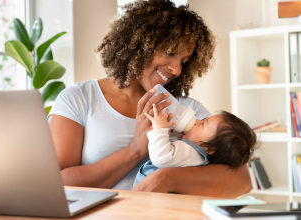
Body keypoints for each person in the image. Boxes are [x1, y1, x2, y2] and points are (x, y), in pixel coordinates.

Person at [48, 0, 252, 197]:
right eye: (171, 52)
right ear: (139, 44)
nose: (176, 68)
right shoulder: (78, 98)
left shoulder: (187, 110)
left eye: (184, 60)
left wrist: (167, 177)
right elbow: (58, 183)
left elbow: (242, 180)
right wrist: (135, 150)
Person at [133, 104, 258, 187]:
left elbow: (161, 157)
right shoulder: (194, 151)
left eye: (203, 124)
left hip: (149, 197)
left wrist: (159, 129)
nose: (197, 121)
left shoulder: (192, 153)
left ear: (209, 148)